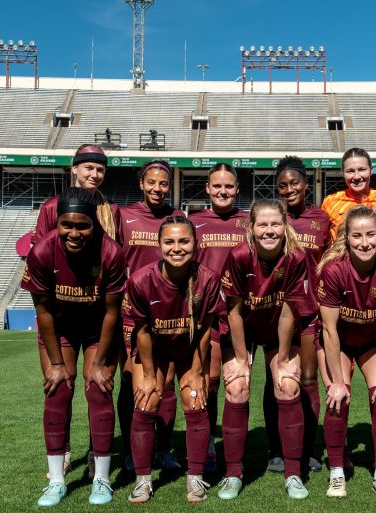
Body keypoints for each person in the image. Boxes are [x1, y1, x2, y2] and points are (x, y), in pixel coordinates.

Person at [21, 187, 125, 506]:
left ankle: (102, 479)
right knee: (58, 389)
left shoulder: (111, 253)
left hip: (98, 328)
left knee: (98, 388)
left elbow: (111, 313)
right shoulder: (41, 252)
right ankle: (56, 480)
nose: (74, 233)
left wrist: (98, 363)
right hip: (60, 327)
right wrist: (55, 363)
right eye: (67, 224)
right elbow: (43, 311)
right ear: (58, 223)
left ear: (94, 223)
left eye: (82, 225)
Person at [31, 143, 120, 479]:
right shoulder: (52, 207)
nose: (94, 174)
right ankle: (63, 453)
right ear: (74, 169)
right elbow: (45, 254)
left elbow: (116, 255)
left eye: (99, 169)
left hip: (98, 311)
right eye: (88, 168)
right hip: (62, 313)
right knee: (59, 385)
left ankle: (99, 460)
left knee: (98, 386)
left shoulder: (111, 209)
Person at [124, 216, 223, 504]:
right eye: (169, 242)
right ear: (159, 245)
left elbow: (204, 330)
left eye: (184, 241)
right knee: (147, 400)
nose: (176, 248)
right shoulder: (141, 280)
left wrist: (195, 370)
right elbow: (141, 332)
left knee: (195, 398)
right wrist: (151, 375)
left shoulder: (208, 279)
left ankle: (195, 479)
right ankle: (143, 480)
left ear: (195, 244)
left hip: (189, 348)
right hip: (153, 349)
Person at [217, 198, 310, 500]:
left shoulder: (296, 257)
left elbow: (288, 311)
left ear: (285, 225)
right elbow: (233, 311)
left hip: (277, 326)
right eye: (263, 225)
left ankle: (293, 472)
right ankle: (233, 473)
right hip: (243, 327)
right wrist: (242, 360)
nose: (269, 230)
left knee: (286, 384)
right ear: (252, 228)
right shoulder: (240, 254)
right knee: (237, 386)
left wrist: (283, 359)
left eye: (275, 224)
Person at [315, 205, 376, 499]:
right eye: (357, 236)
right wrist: (338, 382)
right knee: (337, 397)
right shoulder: (333, 271)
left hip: (373, 342)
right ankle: (337, 472)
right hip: (337, 340)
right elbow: (328, 330)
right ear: (347, 238)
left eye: (370, 235)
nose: (364, 242)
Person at [263, 156, 330, 473]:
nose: (289, 190)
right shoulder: (273, 219)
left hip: (310, 311)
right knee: (275, 378)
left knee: (307, 379)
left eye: (294, 183)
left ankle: (308, 451)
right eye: (282, 186)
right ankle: (276, 450)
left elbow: (330, 262)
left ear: (306, 184)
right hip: (275, 312)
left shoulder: (323, 219)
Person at [118, 160, 185, 472]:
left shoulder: (177, 217)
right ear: (141, 184)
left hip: (169, 311)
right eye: (152, 183)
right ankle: (132, 450)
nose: (158, 189)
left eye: (163, 184)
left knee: (167, 381)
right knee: (132, 378)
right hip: (132, 312)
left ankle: (163, 449)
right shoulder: (124, 216)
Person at [188, 163, 248, 473]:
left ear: (237, 189)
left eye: (229, 186)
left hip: (243, 316)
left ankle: (241, 449)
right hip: (207, 316)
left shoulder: (249, 222)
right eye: (217, 186)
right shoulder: (194, 222)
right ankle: (209, 445)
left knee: (240, 383)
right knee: (210, 382)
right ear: (208, 189)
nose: (222, 191)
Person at [321, 148, 376, 252]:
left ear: (371, 170)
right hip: (341, 266)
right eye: (350, 171)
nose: (356, 176)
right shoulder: (330, 202)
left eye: (361, 170)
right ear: (343, 173)